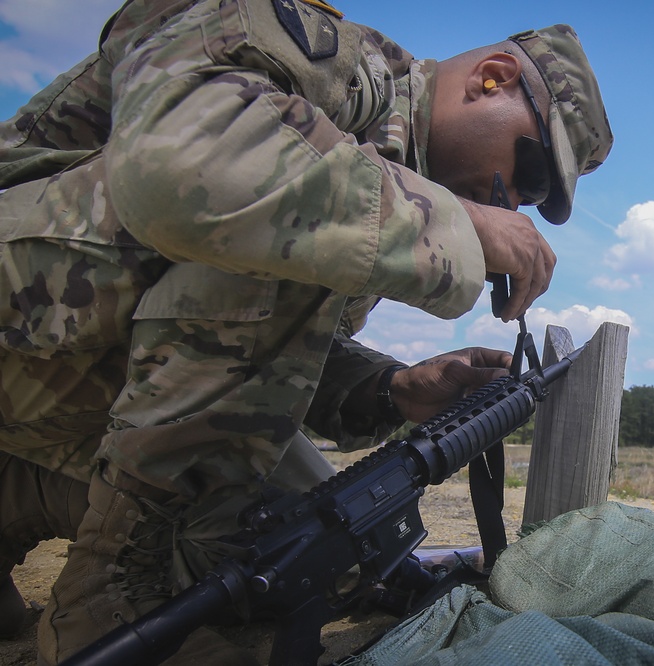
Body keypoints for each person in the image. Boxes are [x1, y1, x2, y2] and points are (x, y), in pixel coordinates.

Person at [0, 0, 613, 662]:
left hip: (50, 376)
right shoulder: (326, 60)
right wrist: (450, 225)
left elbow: (238, 348)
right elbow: (182, 169)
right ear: (490, 77)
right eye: (531, 171)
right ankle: (112, 601)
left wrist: (396, 388)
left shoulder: (383, 178)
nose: (514, 204)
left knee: (309, 542)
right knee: (281, 220)